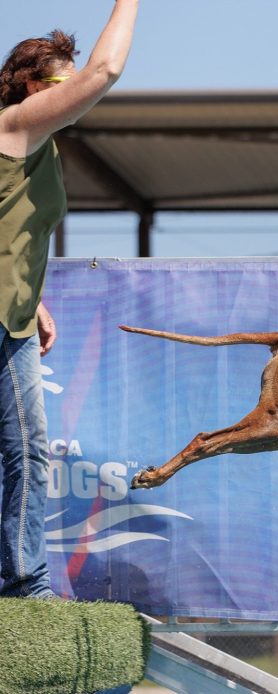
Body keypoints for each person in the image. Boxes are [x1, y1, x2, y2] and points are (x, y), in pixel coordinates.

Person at [0, 0, 139, 598]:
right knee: (25, 453)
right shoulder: (15, 125)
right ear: (30, 87)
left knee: (28, 454)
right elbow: (103, 72)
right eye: (60, 83)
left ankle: (23, 585)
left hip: (15, 318)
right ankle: (24, 585)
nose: (74, 92)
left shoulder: (39, 143)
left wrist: (34, 298)